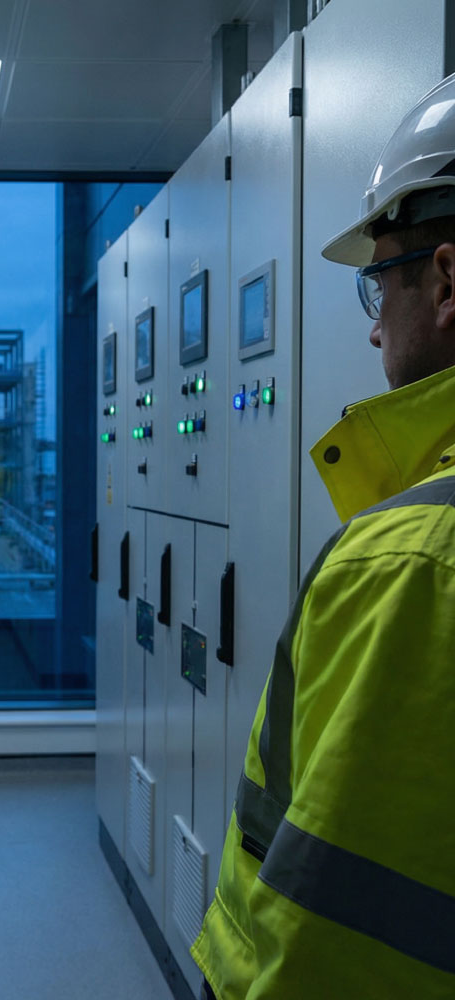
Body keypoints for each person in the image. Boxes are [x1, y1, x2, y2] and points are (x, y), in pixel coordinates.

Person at [191, 75, 455, 999]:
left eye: (378, 284)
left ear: (448, 280)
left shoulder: (411, 560)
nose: (377, 329)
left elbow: (332, 942)